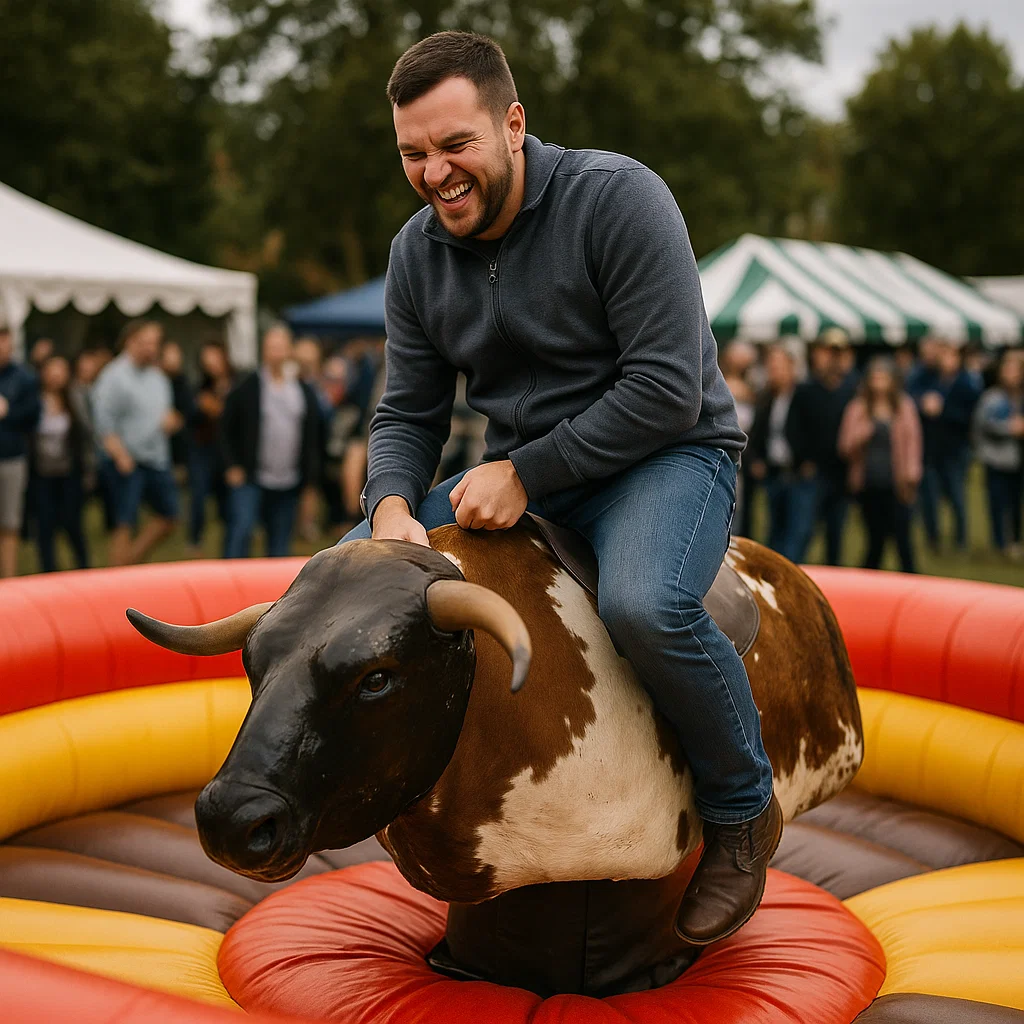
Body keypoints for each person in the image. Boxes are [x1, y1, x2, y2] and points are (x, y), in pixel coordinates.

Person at [344, 31, 779, 946]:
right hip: (521, 473)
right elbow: (408, 413)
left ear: (513, 124)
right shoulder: (415, 254)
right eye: (412, 154)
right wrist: (387, 505)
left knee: (645, 604)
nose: (434, 172)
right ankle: (346, 781)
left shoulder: (619, 198)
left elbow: (665, 386)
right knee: (340, 580)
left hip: (666, 457)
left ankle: (743, 811)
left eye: (454, 145)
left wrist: (526, 471)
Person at [220, 325, 322, 558]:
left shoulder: (302, 390)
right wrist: (231, 465)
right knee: (241, 531)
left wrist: (310, 480)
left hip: (287, 480)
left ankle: (273, 593)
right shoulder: (247, 387)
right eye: (271, 348)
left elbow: (313, 435)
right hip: (250, 476)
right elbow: (225, 428)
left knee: (279, 544)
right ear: (264, 351)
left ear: (289, 351)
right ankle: (228, 585)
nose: (276, 353)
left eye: (281, 347)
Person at [91, 320, 181, 566]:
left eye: (155, 343)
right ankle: (117, 575)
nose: (151, 348)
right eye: (145, 343)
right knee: (124, 522)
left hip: (156, 458)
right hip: (126, 460)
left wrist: (171, 420)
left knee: (170, 516)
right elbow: (103, 422)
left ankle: (130, 562)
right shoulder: (114, 377)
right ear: (130, 341)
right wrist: (119, 454)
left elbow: (164, 411)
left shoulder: (157, 377)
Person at [837, 358, 922, 573]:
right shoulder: (858, 408)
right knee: (875, 539)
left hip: (898, 483)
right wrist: (865, 433)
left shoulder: (904, 407)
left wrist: (912, 476)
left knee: (903, 539)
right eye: (875, 377)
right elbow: (845, 446)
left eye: (883, 377)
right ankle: (870, 583)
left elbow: (913, 442)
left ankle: (911, 582)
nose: (879, 382)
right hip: (869, 483)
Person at [782, 329, 856, 565]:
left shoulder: (852, 390)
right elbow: (791, 429)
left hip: (841, 474)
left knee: (836, 536)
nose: (833, 358)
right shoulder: (806, 390)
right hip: (812, 474)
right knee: (801, 533)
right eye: (828, 351)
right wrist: (803, 461)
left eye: (839, 352)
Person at [906, 341, 981, 552]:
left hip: (954, 450)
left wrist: (943, 409)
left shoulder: (966, 384)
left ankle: (960, 539)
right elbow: (910, 392)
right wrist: (923, 402)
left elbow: (971, 416)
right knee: (929, 497)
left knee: (957, 495)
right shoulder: (928, 378)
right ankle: (933, 537)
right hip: (931, 449)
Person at [29, 355, 93, 571]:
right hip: (42, 475)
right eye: (51, 369)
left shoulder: (75, 399)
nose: (56, 375)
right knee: (45, 526)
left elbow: (86, 434)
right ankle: (48, 572)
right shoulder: (34, 400)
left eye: (61, 369)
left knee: (72, 523)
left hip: (69, 474)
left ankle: (83, 568)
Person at [746, 344, 799, 553]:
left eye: (779, 366)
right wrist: (756, 461)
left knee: (796, 529)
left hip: (797, 473)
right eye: (771, 367)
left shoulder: (802, 396)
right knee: (773, 528)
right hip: (773, 471)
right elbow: (755, 434)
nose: (775, 372)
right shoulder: (765, 399)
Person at [972, 352, 1024, 559]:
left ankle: (1016, 541)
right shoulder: (992, 398)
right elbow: (982, 425)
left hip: (1018, 460)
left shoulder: (1020, 398)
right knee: (997, 502)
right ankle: (999, 542)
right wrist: (1010, 428)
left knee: (1016, 502)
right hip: (996, 459)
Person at [0, 326, 42, 577]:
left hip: (12, 458)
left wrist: (7, 413)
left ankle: (8, 580)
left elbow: (33, 416)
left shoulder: (24, 378)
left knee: (10, 522)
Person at [186, 340, 234, 555]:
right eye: (207, 361)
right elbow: (192, 417)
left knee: (226, 501)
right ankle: (195, 539)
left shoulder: (238, 383)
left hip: (227, 452)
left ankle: (228, 545)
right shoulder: (200, 387)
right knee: (198, 494)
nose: (212, 364)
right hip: (203, 449)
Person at [160, 339, 193, 475]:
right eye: (170, 355)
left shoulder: (183, 382)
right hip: (157, 448)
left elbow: (188, 412)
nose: (174, 359)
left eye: (177, 355)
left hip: (179, 448)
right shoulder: (155, 380)